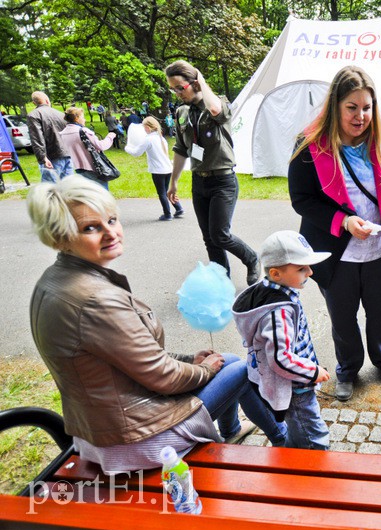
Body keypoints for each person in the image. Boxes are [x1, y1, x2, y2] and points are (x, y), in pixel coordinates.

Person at [26, 177, 286, 474]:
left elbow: (130, 356)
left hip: (105, 424)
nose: (110, 233)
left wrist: (191, 361)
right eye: (90, 228)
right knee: (238, 368)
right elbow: (162, 377)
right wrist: (205, 370)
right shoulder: (95, 300)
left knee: (225, 360)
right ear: (60, 238)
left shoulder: (56, 280)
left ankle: (233, 430)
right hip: (136, 440)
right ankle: (283, 440)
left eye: (111, 220)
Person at [288, 66, 381, 402]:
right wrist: (343, 222)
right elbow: (302, 200)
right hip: (336, 254)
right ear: (335, 106)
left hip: (380, 250)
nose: (361, 116)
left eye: (367, 108)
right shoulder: (309, 145)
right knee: (342, 317)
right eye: (351, 108)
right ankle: (347, 367)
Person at [232, 230, 332, 450]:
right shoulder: (278, 312)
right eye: (301, 268)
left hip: (294, 382)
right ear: (276, 273)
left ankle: (292, 459)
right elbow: (280, 358)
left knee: (299, 434)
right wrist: (312, 372)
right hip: (294, 389)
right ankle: (313, 476)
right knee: (314, 439)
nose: (310, 272)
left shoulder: (275, 292)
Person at [165, 60, 260, 285]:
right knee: (209, 238)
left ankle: (252, 259)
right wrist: (173, 182)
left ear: (195, 83)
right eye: (173, 88)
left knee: (220, 234)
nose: (177, 93)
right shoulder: (181, 112)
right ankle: (222, 281)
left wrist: (202, 80)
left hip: (223, 181)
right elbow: (181, 148)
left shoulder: (218, 103)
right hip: (200, 182)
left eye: (180, 87)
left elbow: (217, 111)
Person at [125, 116, 184, 221]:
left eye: (144, 127)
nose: (143, 130)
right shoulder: (161, 138)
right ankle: (178, 208)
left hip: (158, 170)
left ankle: (167, 214)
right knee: (167, 191)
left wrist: (127, 147)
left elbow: (136, 153)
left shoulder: (148, 139)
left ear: (148, 127)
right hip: (167, 168)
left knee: (162, 193)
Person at [58, 107, 116, 190]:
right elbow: (101, 146)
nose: (84, 120)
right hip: (93, 167)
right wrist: (110, 136)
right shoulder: (83, 131)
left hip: (78, 168)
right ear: (76, 118)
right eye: (83, 117)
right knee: (102, 193)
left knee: (89, 193)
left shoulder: (63, 133)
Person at [27, 91, 73, 183]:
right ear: (47, 101)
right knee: (68, 188)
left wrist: (42, 158)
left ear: (34, 103)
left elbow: (37, 138)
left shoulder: (33, 115)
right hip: (67, 154)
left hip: (52, 156)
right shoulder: (61, 114)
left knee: (49, 189)